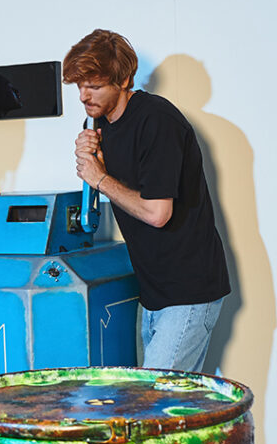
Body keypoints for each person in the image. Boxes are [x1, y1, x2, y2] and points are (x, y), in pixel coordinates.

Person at [65, 28, 230, 371]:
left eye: (94, 85)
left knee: (155, 405)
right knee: (170, 408)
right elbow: (119, 190)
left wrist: (100, 177)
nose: (84, 95)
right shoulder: (99, 122)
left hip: (188, 290)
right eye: (80, 85)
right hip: (154, 290)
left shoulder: (156, 120)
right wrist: (93, 163)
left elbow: (157, 213)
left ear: (124, 79)